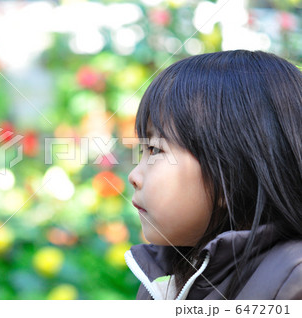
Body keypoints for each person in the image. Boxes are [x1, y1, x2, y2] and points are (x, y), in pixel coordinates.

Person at [124, 50, 302, 300]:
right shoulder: (165, 281)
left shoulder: (292, 283)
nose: (134, 175)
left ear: (229, 174)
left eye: (155, 149)